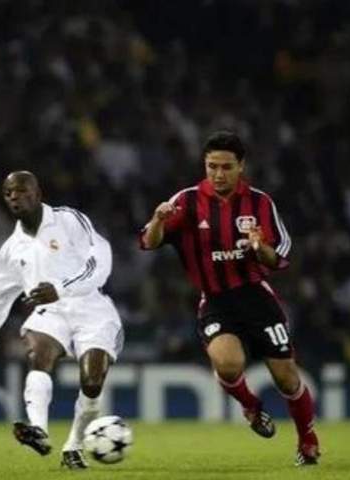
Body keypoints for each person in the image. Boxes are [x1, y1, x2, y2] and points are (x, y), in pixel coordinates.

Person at [139, 130, 321, 467]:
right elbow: (149, 242)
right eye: (212, 166)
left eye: (226, 167)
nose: (218, 174)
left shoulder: (260, 203)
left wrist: (259, 247)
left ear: (241, 166)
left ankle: (307, 440)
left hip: (256, 299)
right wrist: (158, 220)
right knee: (226, 363)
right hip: (216, 301)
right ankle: (251, 405)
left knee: (286, 377)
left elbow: (278, 258)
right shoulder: (186, 201)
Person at [0, 171, 124, 469]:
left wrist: (61, 288)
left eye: (21, 190)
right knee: (38, 354)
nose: (14, 196)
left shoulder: (68, 220)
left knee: (92, 381)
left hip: (91, 308)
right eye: (8, 193)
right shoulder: (12, 248)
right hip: (51, 313)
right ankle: (38, 430)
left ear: (38, 193)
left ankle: (73, 445)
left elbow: (101, 258)